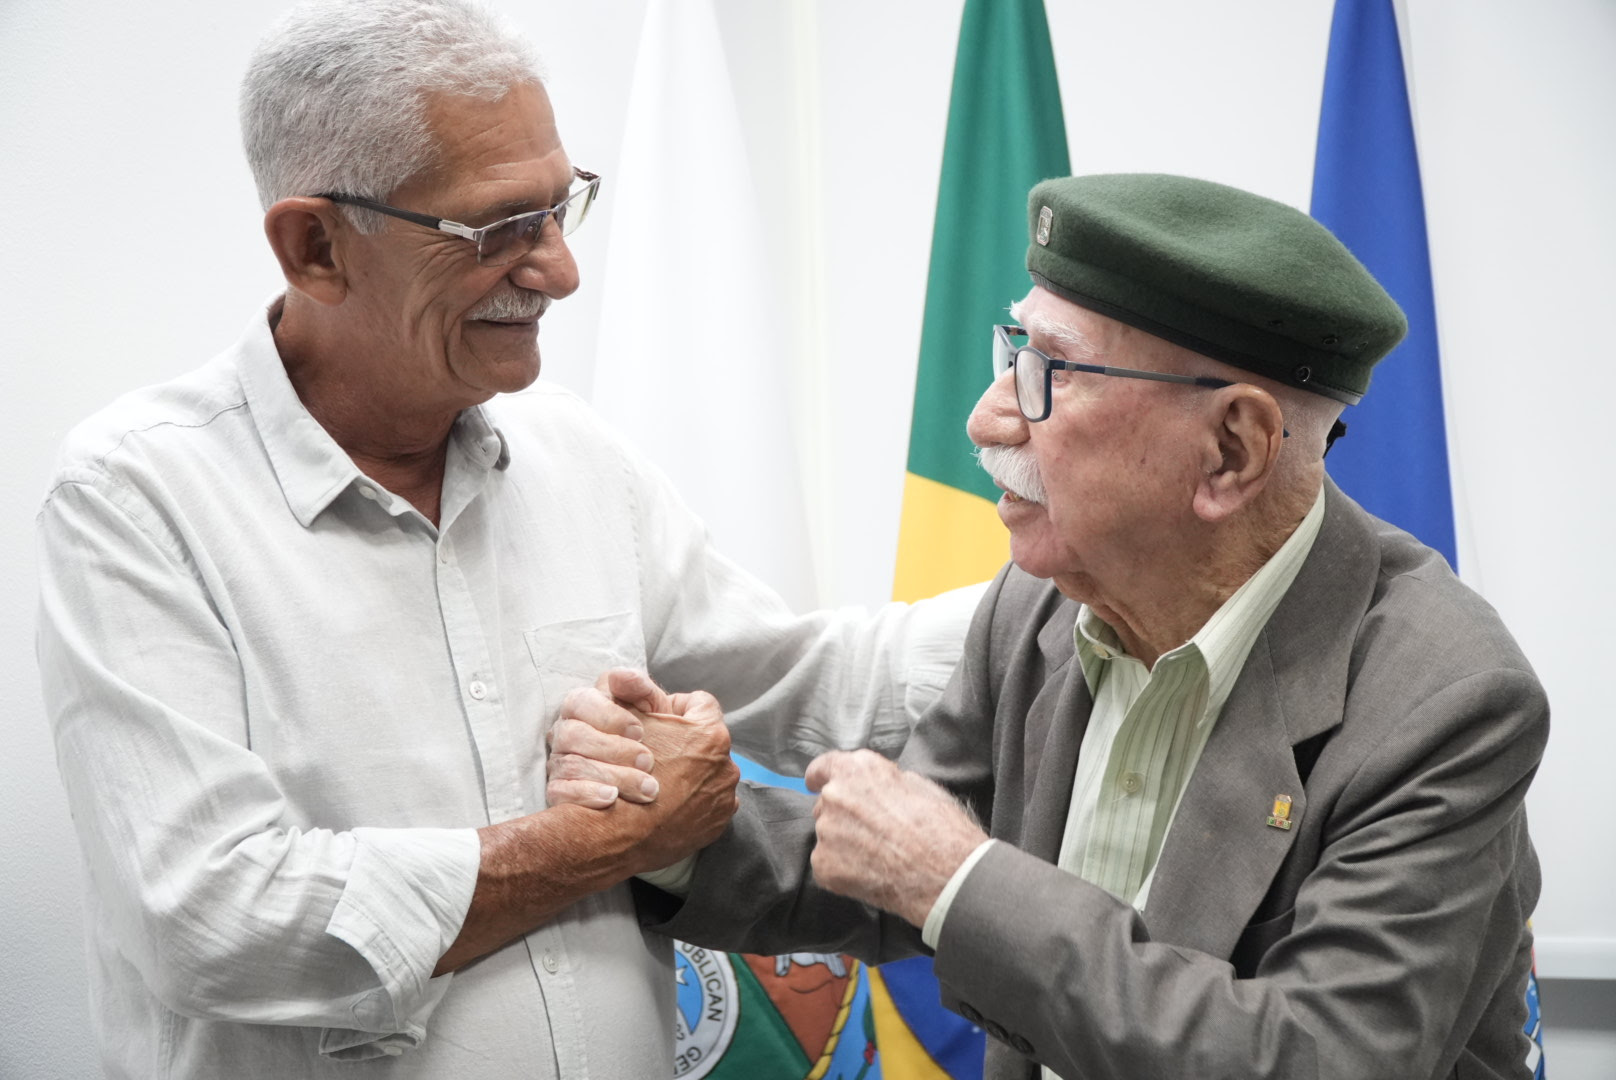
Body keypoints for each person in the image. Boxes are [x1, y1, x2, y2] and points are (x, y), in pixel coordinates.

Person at [33, 1, 976, 1076]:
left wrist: (1091, 589)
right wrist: (598, 845)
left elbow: (813, 680)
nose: (559, 271)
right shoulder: (138, 496)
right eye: (496, 231)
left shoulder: (572, 458)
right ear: (315, 246)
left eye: (559, 207)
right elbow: (213, 918)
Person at [560, 173, 1548, 1080]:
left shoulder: (1445, 696)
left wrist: (957, 879)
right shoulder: (1041, 598)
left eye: (1051, 371)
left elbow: (1315, 1059)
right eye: (1011, 349)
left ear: (1232, 450)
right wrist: (665, 820)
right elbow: (886, 860)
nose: (987, 417)